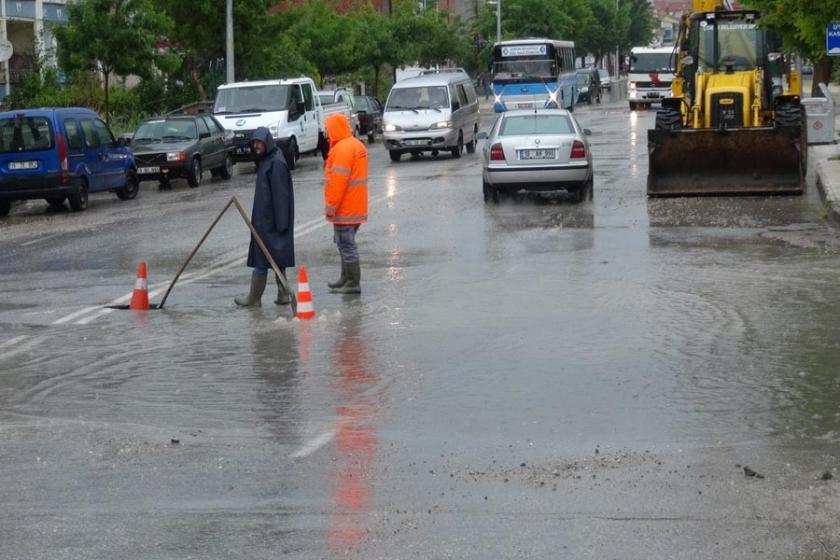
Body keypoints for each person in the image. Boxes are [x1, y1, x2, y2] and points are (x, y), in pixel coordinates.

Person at [235, 127, 295, 307]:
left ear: (267, 142)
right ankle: (283, 296)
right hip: (265, 220)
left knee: (263, 259)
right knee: (275, 258)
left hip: (271, 224)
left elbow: (281, 196)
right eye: (254, 143)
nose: (256, 146)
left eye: (259, 142)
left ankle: (254, 299)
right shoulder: (267, 160)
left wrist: (281, 225)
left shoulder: (275, 163)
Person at [323, 113, 368, 294]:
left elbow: (338, 183)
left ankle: (352, 282)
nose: (326, 132)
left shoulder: (342, 149)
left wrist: (331, 207)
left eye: (328, 128)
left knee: (346, 244)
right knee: (343, 243)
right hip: (355, 206)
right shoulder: (355, 144)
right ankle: (346, 278)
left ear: (335, 128)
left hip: (345, 208)